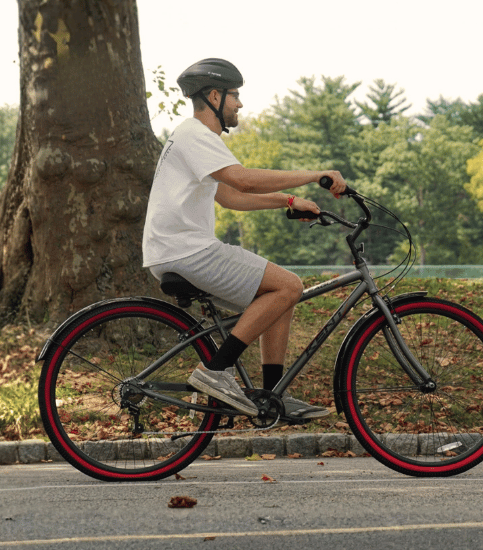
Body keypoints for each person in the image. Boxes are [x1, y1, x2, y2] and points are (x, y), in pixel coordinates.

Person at [141, 58, 348, 420]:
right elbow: (244, 181)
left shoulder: (194, 139)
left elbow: (230, 197)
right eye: (235, 96)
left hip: (175, 250)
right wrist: (313, 175)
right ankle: (215, 372)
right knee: (289, 286)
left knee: (279, 296)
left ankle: (272, 398)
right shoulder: (195, 135)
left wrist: (286, 201)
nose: (240, 104)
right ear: (215, 96)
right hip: (187, 251)